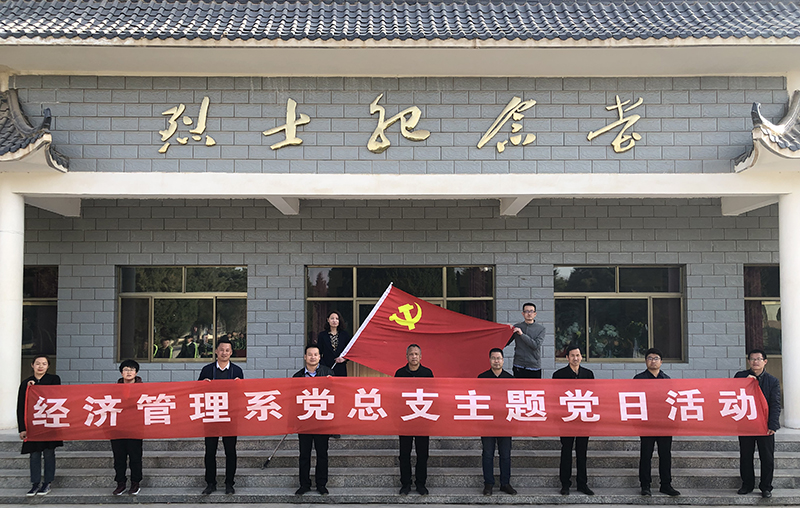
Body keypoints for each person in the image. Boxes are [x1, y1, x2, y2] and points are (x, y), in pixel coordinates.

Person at [198, 338, 244, 495]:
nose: (224, 353)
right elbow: (197, 392)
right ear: (216, 351)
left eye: (227, 350)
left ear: (231, 353)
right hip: (211, 416)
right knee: (210, 451)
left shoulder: (237, 371)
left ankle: (229, 483)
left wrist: (240, 385)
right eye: (221, 350)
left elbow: (242, 394)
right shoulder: (207, 370)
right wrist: (202, 385)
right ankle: (210, 483)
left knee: (230, 451)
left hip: (230, 417)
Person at [735, 348, 781, 498]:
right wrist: (746, 382)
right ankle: (747, 485)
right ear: (748, 361)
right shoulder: (740, 376)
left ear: (765, 361)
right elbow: (732, 393)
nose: (755, 362)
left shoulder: (772, 381)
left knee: (767, 458)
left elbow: (775, 404)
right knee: (746, 456)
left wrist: (773, 425)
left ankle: (766, 487)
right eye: (753, 359)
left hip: (764, 425)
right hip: (746, 424)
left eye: (759, 359)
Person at [633, 348, 680, 497]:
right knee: (646, 454)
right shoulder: (638, 379)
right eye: (650, 358)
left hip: (664, 423)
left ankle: (666, 484)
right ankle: (645, 485)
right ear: (645, 361)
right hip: (646, 423)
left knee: (665, 454)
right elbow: (633, 400)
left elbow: (673, 401)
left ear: (661, 362)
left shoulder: (667, 379)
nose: (653, 361)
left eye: (656, 358)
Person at [16, 355, 62, 496]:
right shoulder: (26, 383)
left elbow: (56, 396)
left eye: (44, 364)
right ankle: (35, 483)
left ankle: (47, 482)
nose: (40, 366)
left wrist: (36, 387)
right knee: (34, 454)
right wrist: (22, 428)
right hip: (33, 424)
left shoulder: (54, 379)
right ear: (32, 365)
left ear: (48, 366)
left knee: (49, 453)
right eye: (37, 363)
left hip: (49, 423)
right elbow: (21, 406)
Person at [552, 344, 594, 496]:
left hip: (583, 418)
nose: (575, 358)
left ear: (581, 357)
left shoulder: (588, 374)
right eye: (572, 355)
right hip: (566, 418)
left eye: (578, 355)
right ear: (567, 357)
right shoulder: (559, 375)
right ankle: (565, 484)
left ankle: (582, 484)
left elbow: (593, 395)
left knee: (582, 452)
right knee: (566, 451)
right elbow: (554, 396)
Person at [293, 344, 334, 495]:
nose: (312, 357)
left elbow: (335, 397)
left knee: (322, 454)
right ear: (305, 357)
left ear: (320, 357)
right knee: (304, 454)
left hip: (322, 420)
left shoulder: (328, 373)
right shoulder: (297, 377)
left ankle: (321, 484)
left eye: (315, 354)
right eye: (309, 354)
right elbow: (293, 400)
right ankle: (304, 484)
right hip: (304, 421)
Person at [395, 344, 434, 496]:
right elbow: (395, 395)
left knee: (422, 453)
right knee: (404, 454)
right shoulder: (400, 373)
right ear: (407, 356)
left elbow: (433, 394)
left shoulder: (427, 373)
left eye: (416, 354)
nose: (414, 357)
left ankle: (420, 484)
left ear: (421, 357)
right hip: (405, 419)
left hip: (422, 418)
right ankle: (405, 484)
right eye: (411, 354)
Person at [478, 348, 516, 496]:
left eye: (499, 358)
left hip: (505, 422)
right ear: (490, 360)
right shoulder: (482, 378)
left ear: (503, 360)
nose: (496, 361)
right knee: (488, 453)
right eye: (493, 358)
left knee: (505, 454)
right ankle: (488, 483)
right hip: (487, 422)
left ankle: (505, 483)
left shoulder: (510, 379)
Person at [111, 359, 144, 496]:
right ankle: (121, 483)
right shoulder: (113, 389)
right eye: (125, 369)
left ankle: (135, 483)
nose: (129, 372)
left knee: (135, 457)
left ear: (136, 372)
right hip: (117, 428)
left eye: (131, 369)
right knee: (119, 458)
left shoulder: (144, 389)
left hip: (135, 428)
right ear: (121, 372)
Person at [509, 302, 545, 378]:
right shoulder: (517, 327)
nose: (529, 314)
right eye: (526, 311)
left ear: (535, 314)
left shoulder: (541, 329)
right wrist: (506, 330)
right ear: (523, 313)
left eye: (531, 311)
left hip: (534, 366)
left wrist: (522, 334)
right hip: (519, 364)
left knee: (534, 386)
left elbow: (535, 345)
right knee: (518, 385)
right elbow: (506, 341)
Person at [316, 310, 352, 377]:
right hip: (326, 367)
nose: (334, 321)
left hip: (341, 367)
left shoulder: (344, 335)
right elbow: (319, 352)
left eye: (337, 319)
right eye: (332, 318)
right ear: (328, 320)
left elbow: (350, 350)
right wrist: (323, 365)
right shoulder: (322, 335)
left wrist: (344, 359)